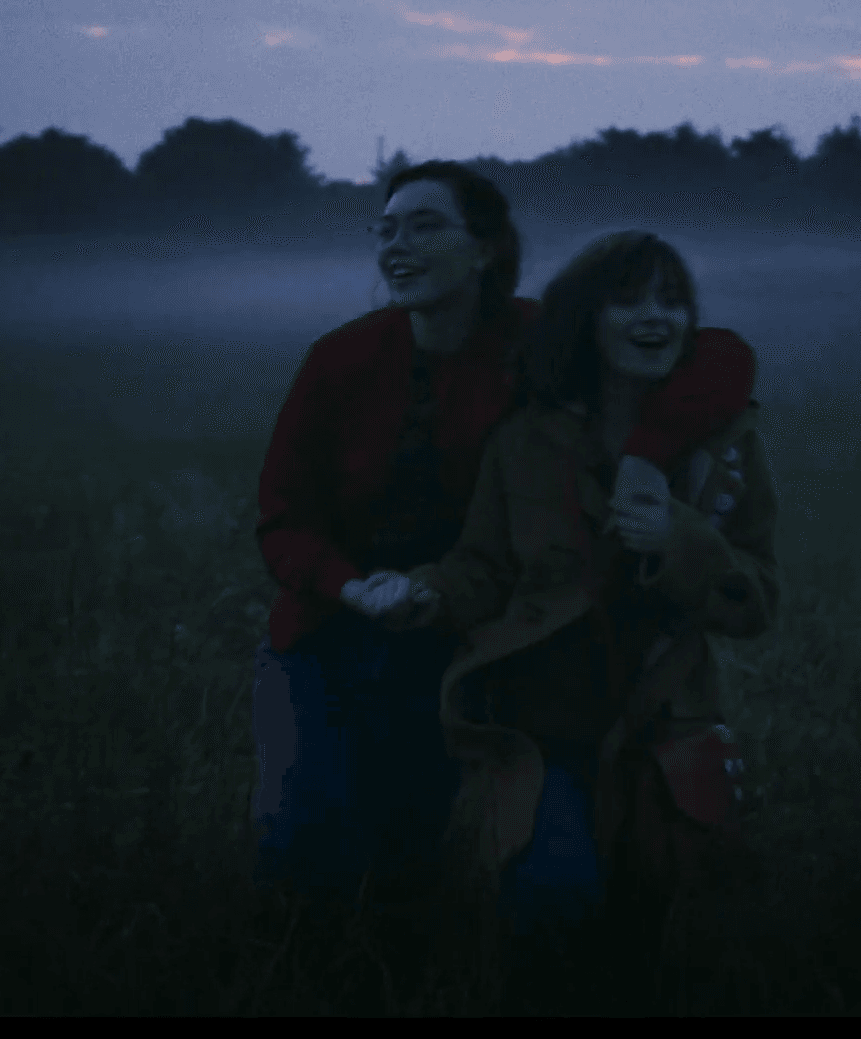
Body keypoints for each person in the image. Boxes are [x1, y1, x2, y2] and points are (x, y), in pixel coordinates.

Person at [250, 164, 756, 917]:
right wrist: (352, 587)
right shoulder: (341, 361)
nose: (398, 246)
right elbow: (281, 518)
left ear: (486, 249)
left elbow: (718, 358)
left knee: (410, 858)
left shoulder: (533, 344)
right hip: (332, 629)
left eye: (424, 227)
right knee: (303, 844)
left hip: (470, 631)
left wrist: (649, 455)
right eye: (385, 230)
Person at [376, 230, 778, 1005]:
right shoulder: (525, 440)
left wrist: (680, 539)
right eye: (627, 300)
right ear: (583, 322)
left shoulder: (724, 448)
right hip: (541, 734)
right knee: (550, 907)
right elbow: (483, 568)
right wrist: (423, 594)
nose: (653, 316)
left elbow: (758, 596)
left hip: (666, 736)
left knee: (661, 946)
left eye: (671, 299)